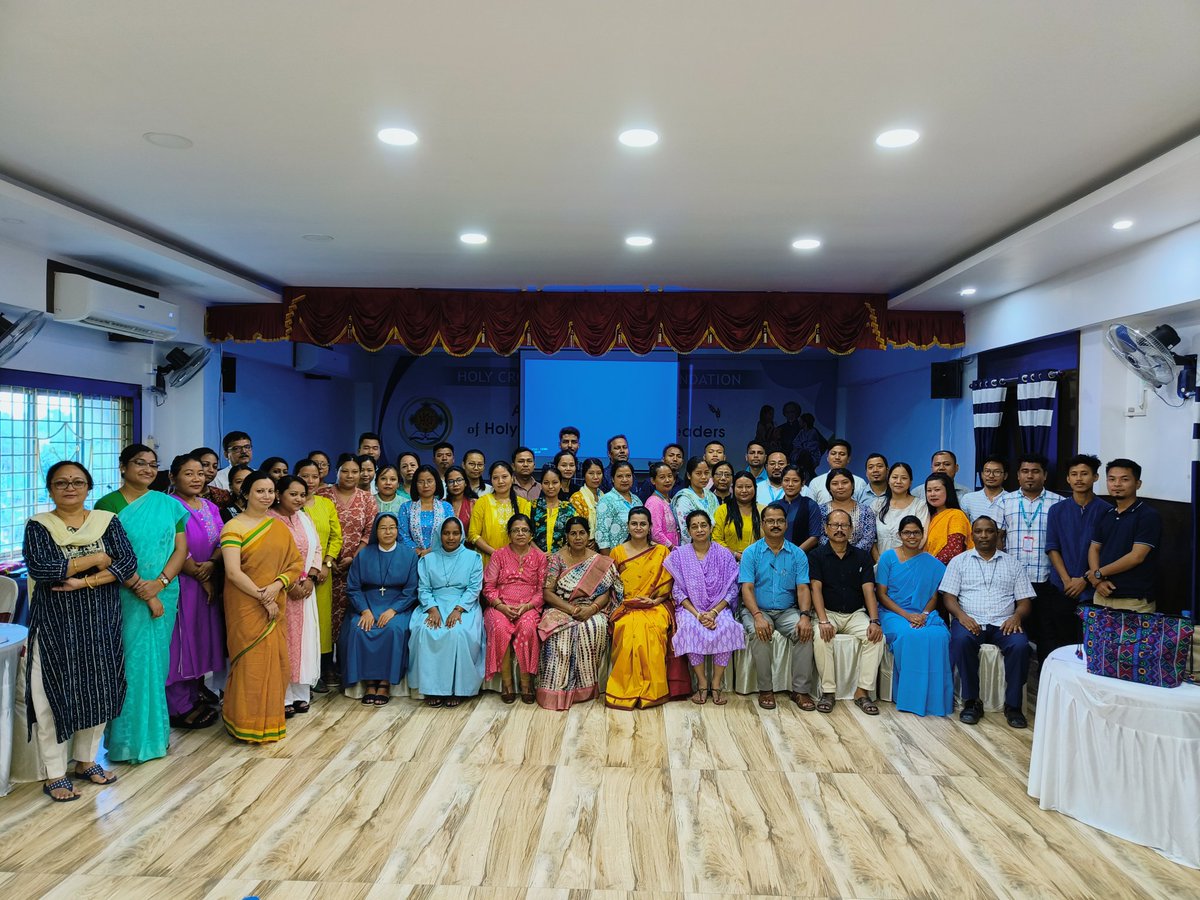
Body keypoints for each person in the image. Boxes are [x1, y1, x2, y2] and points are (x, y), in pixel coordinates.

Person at [23, 461, 138, 801]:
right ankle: (54, 772)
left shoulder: (106, 521)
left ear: (88, 487)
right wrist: (96, 559)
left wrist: (81, 581)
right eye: (61, 483)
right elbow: (43, 568)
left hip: (100, 623)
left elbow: (127, 563)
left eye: (77, 482)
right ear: (50, 490)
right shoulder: (39, 526)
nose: (70, 488)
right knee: (51, 696)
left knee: (98, 691)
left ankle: (86, 760)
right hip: (55, 627)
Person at [94, 444, 189, 765]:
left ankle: (154, 738)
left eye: (153, 464)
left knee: (156, 665)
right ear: (123, 466)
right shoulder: (107, 505)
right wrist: (143, 591)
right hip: (124, 596)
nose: (148, 469)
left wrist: (159, 584)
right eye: (140, 463)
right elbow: (108, 554)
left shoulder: (168, 505)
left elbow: (180, 550)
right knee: (129, 666)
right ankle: (125, 743)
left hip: (165, 592)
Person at [220, 470, 305, 742]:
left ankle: (270, 722)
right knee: (250, 663)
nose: (266, 496)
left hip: (274, 601)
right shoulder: (233, 527)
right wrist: (262, 597)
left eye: (270, 491)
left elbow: (295, 564)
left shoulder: (278, 527)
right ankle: (244, 724)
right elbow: (233, 572)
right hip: (245, 604)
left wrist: (277, 586)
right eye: (260, 491)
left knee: (277, 664)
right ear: (246, 493)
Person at [941, 516, 1034, 728]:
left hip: (1004, 623)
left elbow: (1025, 601)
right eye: (979, 531)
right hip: (970, 620)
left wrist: (1017, 617)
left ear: (997, 534)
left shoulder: (1013, 564)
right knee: (961, 642)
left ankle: (1013, 706)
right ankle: (972, 701)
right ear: (972, 535)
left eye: (989, 531)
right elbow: (949, 597)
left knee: (1021, 646)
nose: (984, 535)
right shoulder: (959, 561)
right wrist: (962, 616)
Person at [608, 507, 689, 709]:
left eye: (643, 524)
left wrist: (654, 601)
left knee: (652, 629)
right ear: (628, 526)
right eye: (634, 523)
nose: (638, 527)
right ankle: (625, 689)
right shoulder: (617, 552)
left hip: (656, 605)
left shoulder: (661, 552)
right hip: (627, 606)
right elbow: (613, 586)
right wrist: (627, 602)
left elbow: (668, 585)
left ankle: (653, 691)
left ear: (650, 526)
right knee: (627, 629)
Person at [166, 453, 225, 730]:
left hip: (208, 579)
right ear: (173, 477)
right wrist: (200, 576)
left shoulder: (210, 506)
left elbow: (223, 539)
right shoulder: (168, 506)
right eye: (188, 473)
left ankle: (193, 696)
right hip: (181, 583)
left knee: (200, 639)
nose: (196, 478)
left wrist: (212, 564)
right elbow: (173, 545)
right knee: (180, 642)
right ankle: (177, 707)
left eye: (200, 473)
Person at [537, 516, 622, 709]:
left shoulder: (598, 561)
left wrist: (591, 609)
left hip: (592, 607)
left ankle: (585, 689)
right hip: (561, 606)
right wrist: (572, 609)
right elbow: (548, 593)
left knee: (594, 626)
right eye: (573, 534)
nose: (578, 538)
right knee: (559, 633)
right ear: (567, 536)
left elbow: (606, 592)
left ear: (588, 535)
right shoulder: (557, 559)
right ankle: (555, 692)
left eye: (582, 533)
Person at [738, 502, 816, 711]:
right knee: (759, 633)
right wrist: (757, 616)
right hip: (757, 609)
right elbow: (747, 588)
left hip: (787, 611)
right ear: (762, 524)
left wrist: (805, 616)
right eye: (770, 521)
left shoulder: (797, 554)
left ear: (786, 524)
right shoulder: (751, 553)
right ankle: (766, 690)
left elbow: (803, 588)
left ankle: (800, 691)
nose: (775, 525)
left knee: (804, 632)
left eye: (780, 521)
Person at [665, 509, 745, 705]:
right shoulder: (680, 555)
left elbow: (732, 589)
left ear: (710, 528)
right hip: (691, 609)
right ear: (688, 531)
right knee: (689, 627)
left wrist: (714, 612)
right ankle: (702, 682)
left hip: (719, 607)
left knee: (728, 626)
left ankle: (716, 683)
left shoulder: (723, 554)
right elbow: (678, 592)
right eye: (694, 526)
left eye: (703, 525)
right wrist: (698, 615)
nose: (699, 530)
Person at [809, 509, 884, 715]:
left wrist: (874, 621)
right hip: (828, 612)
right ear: (826, 529)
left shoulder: (862, 556)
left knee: (877, 638)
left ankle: (862, 692)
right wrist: (823, 620)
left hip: (855, 614)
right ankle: (828, 691)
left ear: (851, 530)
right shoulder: (816, 555)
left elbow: (868, 590)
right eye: (835, 525)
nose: (839, 529)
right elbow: (815, 589)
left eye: (844, 525)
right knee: (820, 636)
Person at [876, 516, 952, 717]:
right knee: (909, 635)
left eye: (916, 532)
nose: (912, 536)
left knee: (939, 635)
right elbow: (881, 595)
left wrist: (924, 614)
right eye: (907, 533)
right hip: (892, 613)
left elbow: (933, 597)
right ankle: (910, 698)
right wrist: (907, 615)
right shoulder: (888, 558)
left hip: (923, 613)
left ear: (922, 534)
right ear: (899, 535)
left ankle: (935, 700)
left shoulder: (932, 564)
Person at [340, 513, 420, 705]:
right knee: (359, 628)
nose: (388, 532)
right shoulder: (363, 555)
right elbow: (353, 587)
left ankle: (385, 682)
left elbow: (411, 589)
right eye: (383, 528)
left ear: (397, 530)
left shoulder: (409, 555)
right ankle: (369, 682)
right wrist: (364, 610)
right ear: (376, 531)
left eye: (392, 527)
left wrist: (393, 610)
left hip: (397, 605)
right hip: (367, 604)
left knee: (394, 629)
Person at [408, 517, 486, 707]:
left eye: (455, 533)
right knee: (426, 630)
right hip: (433, 603)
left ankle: (457, 688)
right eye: (446, 533)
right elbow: (424, 589)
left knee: (458, 632)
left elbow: (474, 588)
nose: (451, 537)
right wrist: (432, 609)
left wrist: (458, 609)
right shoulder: (428, 559)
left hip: (464, 604)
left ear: (461, 535)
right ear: (439, 535)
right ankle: (432, 688)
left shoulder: (473, 558)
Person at [999, 453, 1063, 660]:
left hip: (1046, 579)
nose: (1030, 476)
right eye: (1025, 471)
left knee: (1047, 633)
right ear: (1018, 475)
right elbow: (998, 537)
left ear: (1044, 475)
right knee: (1014, 632)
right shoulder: (1005, 501)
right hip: (1012, 580)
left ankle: (1045, 675)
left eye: (1035, 471)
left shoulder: (1059, 502)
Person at [1044, 454, 1110, 655]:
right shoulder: (1056, 510)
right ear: (1068, 478)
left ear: (1095, 477)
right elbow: (1052, 547)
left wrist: (1085, 579)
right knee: (1064, 643)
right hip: (1062, 587)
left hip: (1093, 589)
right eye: (1074, 474)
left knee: (1092, 645)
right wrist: (1066, 580)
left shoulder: (1107, 511)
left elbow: (1107, 552)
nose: (1079, 478)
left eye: (1084, 474)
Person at [317, 454, 379, 669]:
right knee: (325, 615)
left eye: (355, 471)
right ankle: (325, 667)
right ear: (337, 471)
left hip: (356, 566)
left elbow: (370, 532)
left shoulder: (367, 499)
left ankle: (346, 665)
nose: (350, 475)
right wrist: (328, 560)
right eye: (345, 471)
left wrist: (354, 558)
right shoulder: (322, 495)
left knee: (350, 613)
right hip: (324, 567)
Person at [269, 475, 322, 716]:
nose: (299, 499)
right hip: (281, 591)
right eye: (293, 494)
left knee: (304, 641)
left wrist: (311, 577)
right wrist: (290, 585)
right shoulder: (270, 519)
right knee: (284, 641)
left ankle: (301, 693)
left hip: (306, 590)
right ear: (279, 494)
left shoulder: (304, 517)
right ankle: (283, 696)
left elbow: (317, 548)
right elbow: (270, 557)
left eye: (302, 495)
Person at [482, 514, 547, 703]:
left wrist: (528, 606)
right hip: (500, 606)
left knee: (527, 628)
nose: (520, 534)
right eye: (516, 530)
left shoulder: (540, 557)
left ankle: (526, 684)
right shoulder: (499, 555)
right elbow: (488, 587)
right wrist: (500, 606)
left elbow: (542, 590)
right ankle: (507, 683)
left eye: (525, 530)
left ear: (531, 534)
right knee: (499, 628)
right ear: (509, 534)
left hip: (529, 607)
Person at [1087, 457, 1162, 613]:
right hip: (1101, 594)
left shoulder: (1148, 515)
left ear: (1138, 484)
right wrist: (1098, 581)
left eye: (1124, 479)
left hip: (1133, 600)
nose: (1117, 484)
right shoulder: (1105, 514)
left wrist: (1098, 573)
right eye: (1112, 479)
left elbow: (1136, 557)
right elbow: (1094, 548)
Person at [295, 458, 342, 692]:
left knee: (320, 623)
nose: (310, 481)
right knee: (299, 624)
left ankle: (320, 671)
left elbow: (336, 537)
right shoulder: (291, 505)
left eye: (314, 476)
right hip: (295, 574)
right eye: (305, 476)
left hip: (322, 575)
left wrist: (327, 563)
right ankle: (299, 673)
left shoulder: (326, 504)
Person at [468, 461, 532, 565]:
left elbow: (528, 535)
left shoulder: (523, 504)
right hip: (488, 561)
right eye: (495, 478)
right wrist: (496, 554)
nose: (500, 481)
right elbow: (473, 535)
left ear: (512, 478)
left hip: (517, 562)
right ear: (491, 481)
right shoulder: (482, 502)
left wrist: (510, 557)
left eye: (504, 477)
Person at [874, 462, 930, 561]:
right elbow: (871, 538)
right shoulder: (877, 504)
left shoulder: (919, 505)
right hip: (881, 563)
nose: (898, 481)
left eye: (904, 478)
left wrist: (903, 563)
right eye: (895, 477)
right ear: (888, 480)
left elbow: (923, 537)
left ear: (910, 482)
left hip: (910, 563)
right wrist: (880, 562)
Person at [397, 464, 453, 555]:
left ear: (436, 482)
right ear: (415, 484)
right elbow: (402, 535)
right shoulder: (406, 507)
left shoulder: (446, 507)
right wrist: (417, 551)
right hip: (413, 556)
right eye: (421, 482)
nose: (425, 485)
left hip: (441, 555)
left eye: (429, 481)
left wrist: (430, 551)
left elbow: (450, 534)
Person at [817, 468, 877, 553]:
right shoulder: (820, 510)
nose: (840, 487)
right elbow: (819, 536)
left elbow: (868, 539)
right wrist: (837, 552)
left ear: (852, 485)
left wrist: (850, 555)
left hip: (858, 558)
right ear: (829, 488)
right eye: (835, 483)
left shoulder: (866, 511)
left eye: (845, 482)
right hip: (827, 557)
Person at [924, 473, 973, 564]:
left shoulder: (956, 516)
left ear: (948, 491)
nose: (932, 494)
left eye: (937, 490)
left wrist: (931, 567)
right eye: (929, 490)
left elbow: (953, 551)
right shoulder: (927, 516)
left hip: (947, 569)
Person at [713, 471, 761, 560]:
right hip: (728, 561)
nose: (744, 490)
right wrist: (736, 555)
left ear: (755, 488)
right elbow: (716, 540)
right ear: (733, 488)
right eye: (739, 487)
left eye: (748, 487)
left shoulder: (763, 511)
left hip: (757, 561)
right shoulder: (723, 510)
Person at [671, 457, 719, 543]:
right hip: (692, 546)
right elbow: (685, 531)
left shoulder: (711, 496)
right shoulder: (684, 498)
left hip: (713, 544)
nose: (704, 477)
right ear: (689, 475)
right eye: (698, 473)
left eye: (706, 473)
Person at [808, 440, 871, 505]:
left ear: (848, 459)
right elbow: (810, 508)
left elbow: (864, 507)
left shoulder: (859, 482)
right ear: (827, 458)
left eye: (842, 454)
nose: (837, 457)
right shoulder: (816, 482)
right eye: (833, 453)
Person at [595, 460, 638, 552]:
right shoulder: (607, 500)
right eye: (619, 476)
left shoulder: (637, 500)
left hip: (637, 554)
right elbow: (602, 535)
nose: (625, 480)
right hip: (615, 555)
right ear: (612, 479)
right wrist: (608, 559)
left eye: (628, 476)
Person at [531, 465, 576, 553]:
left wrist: (557, 555)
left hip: (563, 557)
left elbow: (573, 536)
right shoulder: (532, 506)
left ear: (561, 484)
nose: (550, 486)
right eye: (546, 483)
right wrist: (541, 554)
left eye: (555, 482)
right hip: (536, 556)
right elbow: (526, 534)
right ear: (541, 484)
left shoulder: (569, 509)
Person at [778, 465, 822, 551]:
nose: (790, 484)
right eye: (786, 480)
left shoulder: (811, 505)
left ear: (803, 483)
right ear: (781, 482)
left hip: (803, 555)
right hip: (776, 554)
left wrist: (796, 553)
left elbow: (814, 537)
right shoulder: (774, 506)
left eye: (795, 481)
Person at [961, 456, 1010, 524]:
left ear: (1005, 476)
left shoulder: (1011, 500)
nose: (991, 475)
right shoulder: (968, 499)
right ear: (982, 474)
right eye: (987, 471)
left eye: (997, 472)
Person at [643, 461, 682, 548]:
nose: (667, 480)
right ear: (653, 480)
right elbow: (655, 534)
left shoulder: (670, 500)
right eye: (662, 477)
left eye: (670, 476)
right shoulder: (654, 502)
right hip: (662, 551)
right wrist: (673, 549)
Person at [569, 457, 605, 535]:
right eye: (591, 473)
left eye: (599, 473)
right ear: (584, 475)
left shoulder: (605, 497)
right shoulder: (576, 498)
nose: (596, 477)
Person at [444, 465, 477, 537]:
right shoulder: (441, 505)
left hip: (470, 543)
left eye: (459, 480)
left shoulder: (475, 504)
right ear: (446, 485)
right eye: (451, 481)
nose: (455, 484)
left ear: (466, 483)